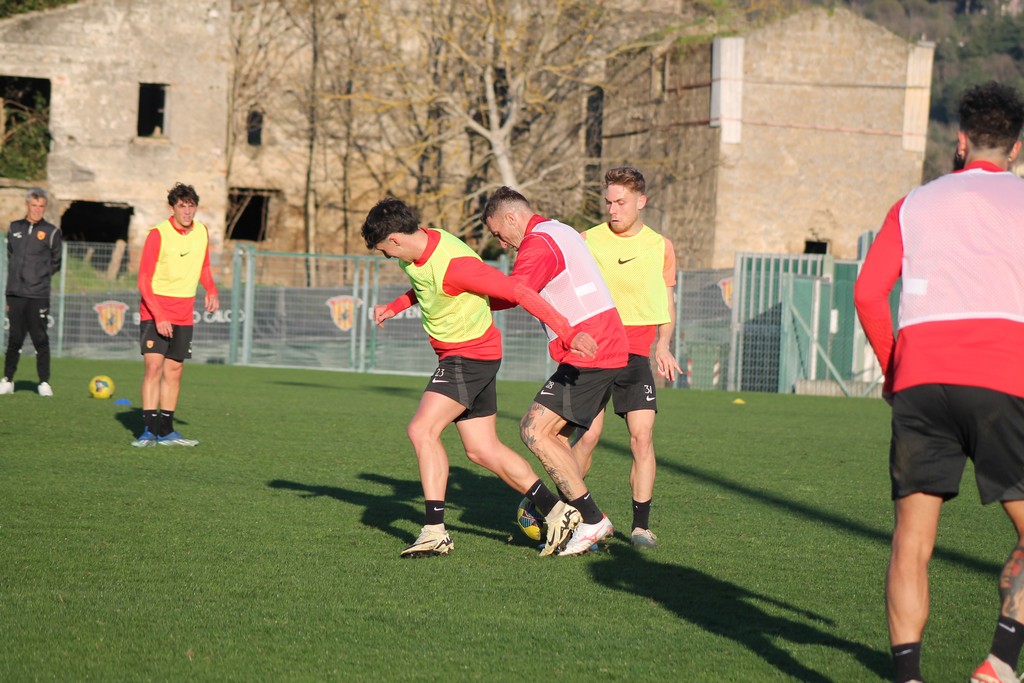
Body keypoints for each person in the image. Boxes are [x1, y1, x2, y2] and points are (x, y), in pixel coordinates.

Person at [854, 81, 1024, 683]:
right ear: (1016, 147)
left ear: (961, 140)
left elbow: (868, 293)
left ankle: (907, 677)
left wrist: (893, 369)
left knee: (912, 540)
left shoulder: (914, 202)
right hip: (1003, 374)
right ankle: (1001, 661)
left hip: (922, 379)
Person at [361, 197, 598, 558]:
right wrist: (395, 307)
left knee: (421, 430)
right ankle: (556, 511)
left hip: (467, 357)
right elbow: (426, 286)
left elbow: (517, 291)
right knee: (482, 449)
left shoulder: (456, 265)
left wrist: (568, 332)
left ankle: (434, 531)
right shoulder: (421, 245)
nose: (388, 257)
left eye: (384, 251)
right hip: (473, 355)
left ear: (394, 239)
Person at [482, 186, 629, 557]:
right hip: (602, 343)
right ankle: (579, 524)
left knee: (534, 430)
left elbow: (516, 291)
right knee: (557, 439)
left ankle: (592, 521)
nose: (501, 243)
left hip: (590, 347)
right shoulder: (558, 229)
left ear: (511, 217)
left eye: (499, 233)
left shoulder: (538, 242)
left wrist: (468, 293)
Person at [572, 167, 681, 548]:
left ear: (641, 202)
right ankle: (575, 517)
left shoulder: (661, 246)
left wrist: (664, 343)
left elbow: (666, 300)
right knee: (587, 438)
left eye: (620, 202)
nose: (613, 210)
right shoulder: (587, 240)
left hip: (636, 353)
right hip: (596, 352)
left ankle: (640, 527)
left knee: (642, 437)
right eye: (609, 202)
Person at [132, 183, 219, 448]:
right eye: (182, 206)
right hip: (155, 309)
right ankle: (148, 431)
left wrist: (211, 289)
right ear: (172, 207)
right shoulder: (158, 234)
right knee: (154, 367)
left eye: (191, 206)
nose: (187, 211)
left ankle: (167, 431)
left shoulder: (202, 232)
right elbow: (144, 278)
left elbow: (204, 266)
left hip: (183, 312)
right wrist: (159, 315)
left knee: (175, 370)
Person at [1, 188, 61, 397]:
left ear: (45, 208)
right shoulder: (14, 227)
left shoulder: (52, 232)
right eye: (34, 205)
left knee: (39, 338)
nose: (37, 210)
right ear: (27, 205)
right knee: (14, 338)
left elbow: (56, 262)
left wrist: (38, 277)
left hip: (38, 294)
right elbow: (11, 254)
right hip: (15, 292)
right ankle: (8, 380)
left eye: (41, 206)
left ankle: (43, 382)